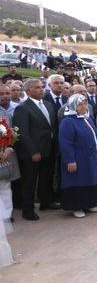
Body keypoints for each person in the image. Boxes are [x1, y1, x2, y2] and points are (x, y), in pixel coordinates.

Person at [12, 78, 58, 220]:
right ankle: (28, 210)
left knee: (46, 178)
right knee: (29, 182)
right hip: (32, 153)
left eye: (42, 87)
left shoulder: (49, 105)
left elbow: (52, 127)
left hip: (48, 149)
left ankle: (46, 202)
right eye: (37, 87)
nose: (41, 89)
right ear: (28, 91)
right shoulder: (23, 108)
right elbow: (23, 133)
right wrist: (33, 151)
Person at [58, 94, 97, 218]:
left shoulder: (87, 118)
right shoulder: (68, 121)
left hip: (90, 157)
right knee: (77, 181)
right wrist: (70, 160)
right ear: (73, 106)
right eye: (80, 104)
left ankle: (90, 203)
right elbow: (65, 143)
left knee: (90, 179)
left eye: (85, 103)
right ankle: (76, 207)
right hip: (77, 157)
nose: (83, 106)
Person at [0, 98, 20, 224]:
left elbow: (8, 134)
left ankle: (6, 215)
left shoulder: (2, 117)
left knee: (5, 187)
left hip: (4, 156)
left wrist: (7, 148)